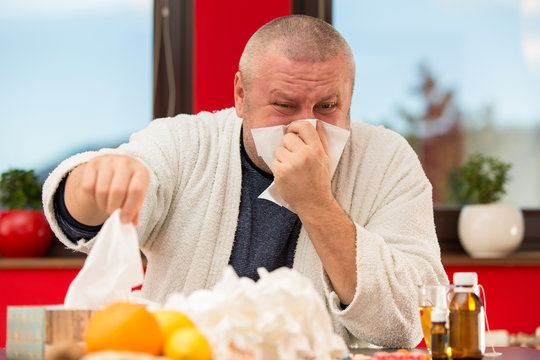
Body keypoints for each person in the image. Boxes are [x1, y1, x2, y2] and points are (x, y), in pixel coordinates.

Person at [42, 15, 448, 348]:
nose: (304, 126)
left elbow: (410, 318)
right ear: (240, 94)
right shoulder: (186, 142)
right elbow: (86, 217)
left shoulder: (388, 159)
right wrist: (93, 184)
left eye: (327, 107)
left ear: (349, 101)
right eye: (283, 105)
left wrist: (316, 202)